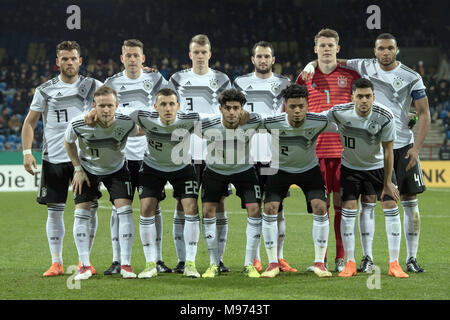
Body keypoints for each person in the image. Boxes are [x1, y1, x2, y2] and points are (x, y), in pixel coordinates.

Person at [303, 33, 430, 273]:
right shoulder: (364, 65)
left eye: (389, 48)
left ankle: (411, 258)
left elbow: (423, 113)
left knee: (409, 201)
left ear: (396, 50)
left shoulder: (411, 77)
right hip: (371, 147)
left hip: (401, 146)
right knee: (368, 203)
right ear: (374, 51)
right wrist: (311, 64)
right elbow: (333, 60)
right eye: (381, 48)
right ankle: (366, 258)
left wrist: (416, 149)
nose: (385, 52)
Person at [21, 41, 102, 277]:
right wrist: (27, 152)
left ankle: (84, 261)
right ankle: (56, 262)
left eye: (73, 58)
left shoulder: (92, 85)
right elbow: (29, 122)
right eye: (64, 58)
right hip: (54, 158)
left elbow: (113, 99)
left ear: (80, 61)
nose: (69, 62)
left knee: (88, 210)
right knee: (54, 211)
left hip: (85, 159)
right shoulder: (45, 89)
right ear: (57, 62)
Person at [325, 78, 408, 278]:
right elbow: (320, 121)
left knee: (390, 206)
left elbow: (389, 151)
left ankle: (394, 263)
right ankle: (351, 262)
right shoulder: (338, 112)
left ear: (373, 97)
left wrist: (388, 182)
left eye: (368, 96)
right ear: (352, 97)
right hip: (350, 168)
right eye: (360, 96)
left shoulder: (384, 116)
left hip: (378, 168)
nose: (364, 100)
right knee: (349, 209)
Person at [102, 39, 172, 275]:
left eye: (136, 55)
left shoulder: (156, 79)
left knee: (154, 206)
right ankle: (117, 259)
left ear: (144, 58)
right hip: (121, 155)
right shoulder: (111, 83)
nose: (132, 59)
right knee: (118, 208)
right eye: (128, 55)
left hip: (149, 154)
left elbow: (168, 106)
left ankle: (158, 259)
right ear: (122, 58)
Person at [297, 28, 360, 272]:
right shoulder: (304, 77)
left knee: (342, 207)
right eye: (321, 45)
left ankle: (341, 257)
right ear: (315, 49)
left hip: (345, 152)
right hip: (315, 152)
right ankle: (320, 259)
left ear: (338, 48)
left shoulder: (350, 75)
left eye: (330, 45)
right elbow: (294, 109)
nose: (326, 49)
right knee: (319, 207)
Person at [168, 34, 233, 273]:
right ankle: (183, 260)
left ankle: (218, 259)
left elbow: (232, 110)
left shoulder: (222, 79)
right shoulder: (178, 79)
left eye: (203, 52)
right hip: (185, 151)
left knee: (219, 204)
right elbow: (168, 107)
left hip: (215, 151)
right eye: (196, 52)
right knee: (182, 203)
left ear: (209, 53)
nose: (200, 56)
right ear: (190, 54)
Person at [65, 86, 139, 280]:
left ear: (117, 106)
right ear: (94, 106)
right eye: (101, 106)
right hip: (88, 170)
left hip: (117, 169)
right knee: (81, 212)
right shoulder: (79, 123)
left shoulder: (127, 122)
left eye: (109, 106)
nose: (106, 110)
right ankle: (85, 267)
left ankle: (126, 265)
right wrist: (77, 169)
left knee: (125, 211)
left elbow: (140, 131)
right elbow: (68, 142)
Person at [233, 41, 296, 273]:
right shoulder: (240, 83)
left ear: (273, 59)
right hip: (249, 157)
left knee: (277, 207)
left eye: (266, 56)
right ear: (253, 59)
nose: (262, 60)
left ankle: (279, 258)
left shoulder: (284, 83)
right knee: (254, 209)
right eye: (259, 56)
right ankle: (257, 258)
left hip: (274, 156)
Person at [261, 84, 335, 278]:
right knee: (269, 209)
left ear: (307, 105)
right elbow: (250, 124)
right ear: (285, 106)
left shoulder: (319, 121)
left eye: (301, 106)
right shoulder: (272, 122)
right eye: (292, 106)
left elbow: (343, 123)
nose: (297, 111)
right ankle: (272, 264)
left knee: (321, 207)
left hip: (309, 169)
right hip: (278, 169)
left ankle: (320, 263)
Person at [199, 89, 263, 278]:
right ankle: (213, 263)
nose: (232, 112)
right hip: (215, 173)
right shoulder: (207, 125)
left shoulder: (253, 121)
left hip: (245, 173)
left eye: (236, 108)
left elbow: (267, 118)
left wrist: (250, 115)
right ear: (220, 108)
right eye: (228, 108)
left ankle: (249, 264)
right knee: (208, 211)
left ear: (242, 109)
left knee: (254, 209)